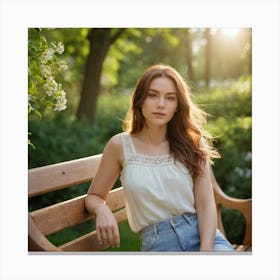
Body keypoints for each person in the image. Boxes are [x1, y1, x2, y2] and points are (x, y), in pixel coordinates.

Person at [85, 64, 234, 252]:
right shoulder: (119, 146)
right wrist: (102, 209)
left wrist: (205, 254)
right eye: (152, 95)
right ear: (140, 100)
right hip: (159, 245)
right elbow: (94, 196)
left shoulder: (193, 144)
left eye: (170, 98)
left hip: (204, 238)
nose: (161, 104)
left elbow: (205, 206)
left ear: (177, 106)